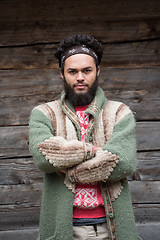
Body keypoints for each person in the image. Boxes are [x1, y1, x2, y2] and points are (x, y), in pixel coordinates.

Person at [29, 34, 142, 240]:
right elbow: (43, 157)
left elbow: (124, 162)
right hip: (65, 228)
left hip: (111, 227)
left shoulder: (119, 112)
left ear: (98, 71)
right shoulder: (44, 113)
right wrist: (93, 151)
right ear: (62, 74)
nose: (80, 77)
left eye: (87, 70)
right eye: (72, 71)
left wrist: (66, 164)